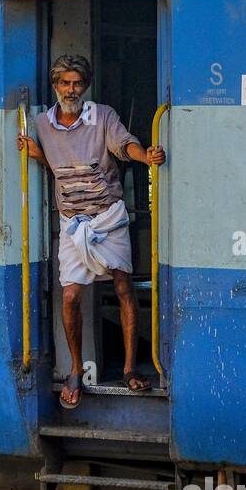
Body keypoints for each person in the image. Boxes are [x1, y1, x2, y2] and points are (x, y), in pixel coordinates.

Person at [16, 53, 166, 410]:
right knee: (70, 296)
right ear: (55, 86)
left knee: (123, 285)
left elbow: (123, 143)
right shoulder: (42, 123)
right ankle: (74, 369)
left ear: (86, 85)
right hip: (72, 223)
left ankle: (129, 368)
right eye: (65, 83)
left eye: (77, 83)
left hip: (107, 218)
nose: (71, 89)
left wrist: (145, 156)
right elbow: (57, 163)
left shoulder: (102, 116)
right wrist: (36, 155)